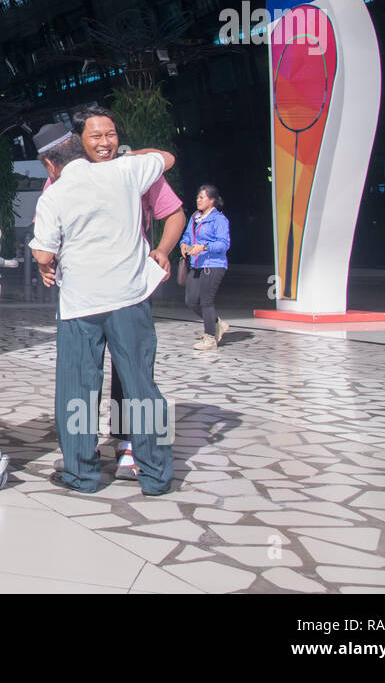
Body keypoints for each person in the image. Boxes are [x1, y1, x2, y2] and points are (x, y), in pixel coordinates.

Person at [31, 135, 176, 496]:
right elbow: (167, 157)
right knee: (142, 386)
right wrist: (132, 153)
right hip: (130, 298)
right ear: (83, 150)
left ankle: (82, 475)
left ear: (50, 164)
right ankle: (156, 476)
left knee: (78, 388)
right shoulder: (126, 170)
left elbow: (43, 254)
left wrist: (49, 258)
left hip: (82, 304)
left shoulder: (55, 193)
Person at [67, 106, 186, 480]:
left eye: (110, 134)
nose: (104, 143)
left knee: (134, 375)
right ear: (79, 140)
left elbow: (175, 212)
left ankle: (132, 444)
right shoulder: (67, 176)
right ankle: (82, 459)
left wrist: (163, 250)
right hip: (83, 295)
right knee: (81, 381)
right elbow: (49, 227)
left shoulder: (138, 170)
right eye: (95, 136)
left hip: (127, 290)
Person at [181, 184, 231, 350]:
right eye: (198, 197)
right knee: (191, 300)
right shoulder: (195, 217)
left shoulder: (219, 220)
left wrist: (204, 247)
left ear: (212, 200)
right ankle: (217, 323)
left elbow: (224, 244)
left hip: (213, 264)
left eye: (202, 197)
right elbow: (188, 235)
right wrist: (184, 243)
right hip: (196, 264)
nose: (198, 200)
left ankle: (210, 338)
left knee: (206, 301)